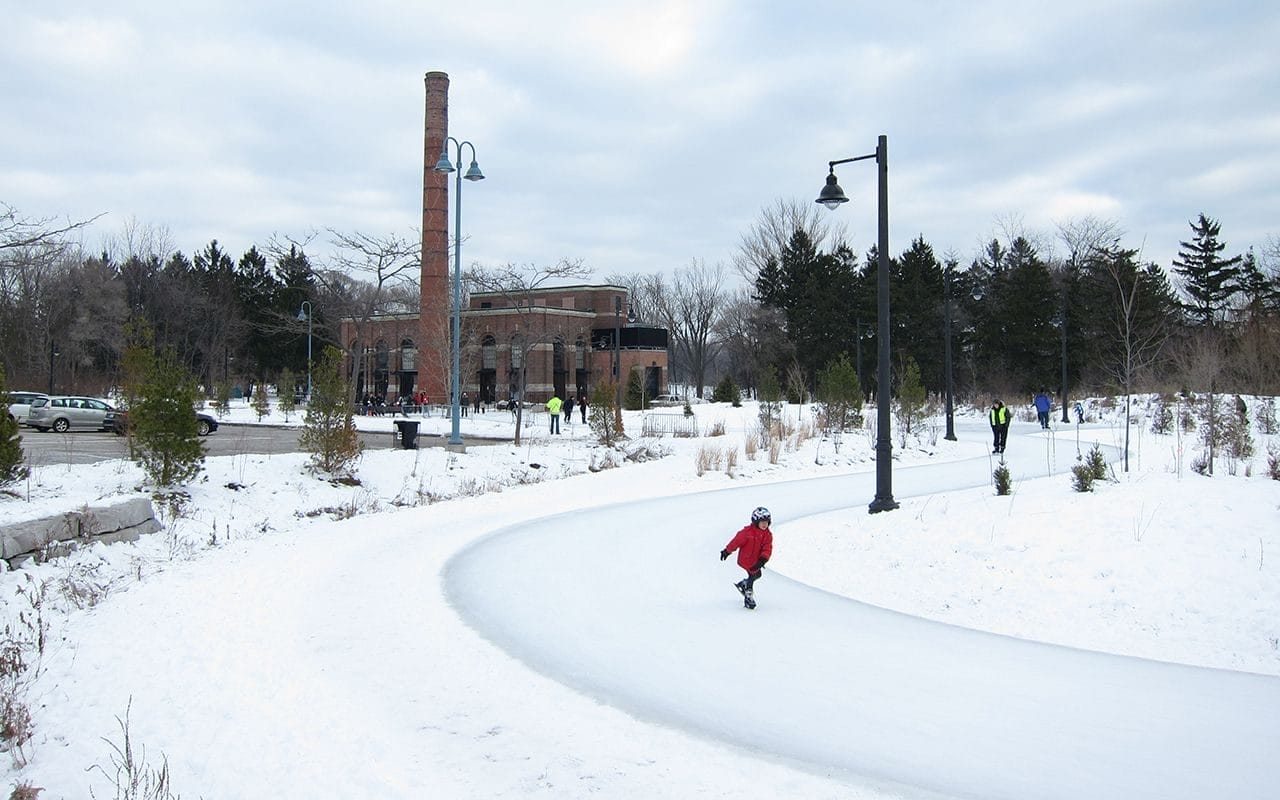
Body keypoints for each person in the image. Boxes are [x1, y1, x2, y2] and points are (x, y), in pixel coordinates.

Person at [720, 506, 773, 610]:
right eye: (762, 522)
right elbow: (736, 542)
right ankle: (748, 595)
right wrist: (727, 551)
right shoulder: (747, 533)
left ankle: (744, 584)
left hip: (757, 561)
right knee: (753, 575)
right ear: (755, 522)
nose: (764, 524)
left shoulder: (768, 535)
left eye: (766, 522)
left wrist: (763, 560)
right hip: (745, 559)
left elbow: (767, 548)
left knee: (757, 574)